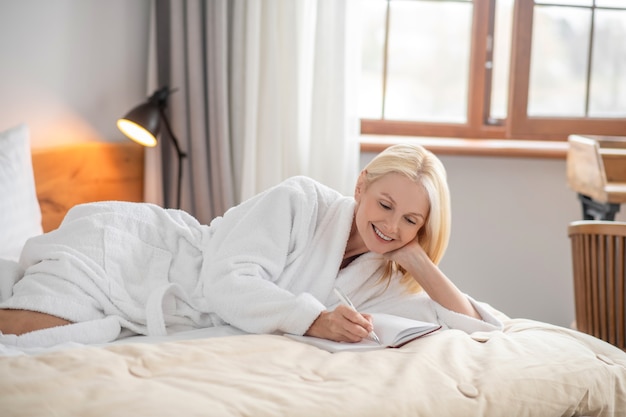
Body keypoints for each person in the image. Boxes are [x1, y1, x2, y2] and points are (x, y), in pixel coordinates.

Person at [0, 144, 502, 347]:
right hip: (139, 256)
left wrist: (417, 258)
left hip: (165, 298)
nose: (391, 226)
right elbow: (225, 282)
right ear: (361, 186)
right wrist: (316, 319)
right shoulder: (300, 201)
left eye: (411, 219)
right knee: (25, 332)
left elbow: (475, 327)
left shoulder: (380, 269)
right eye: (386, 205)